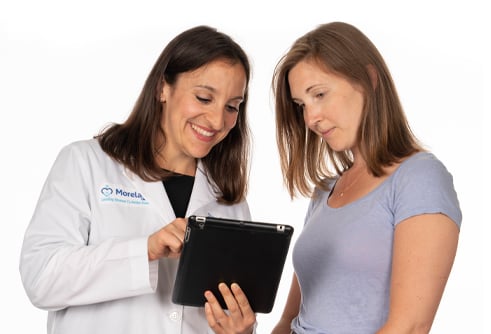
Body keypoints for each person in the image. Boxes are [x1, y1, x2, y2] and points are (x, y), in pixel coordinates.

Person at [19, 25, 257, 334]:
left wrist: (241, 331)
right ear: (163, 88)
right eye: (203, 97)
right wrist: (145, 250)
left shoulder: (229, 199)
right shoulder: (86, 163)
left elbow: (227, 311)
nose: (216, 121)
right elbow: (41, 279)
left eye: (231, 107)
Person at [271, 22, 462, 334]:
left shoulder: (420, 177)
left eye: (319, 94)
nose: (310, 117)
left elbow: (410, 326)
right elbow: (288, 321)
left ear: (369, 79)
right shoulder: (325, 192)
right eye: (301, 105)